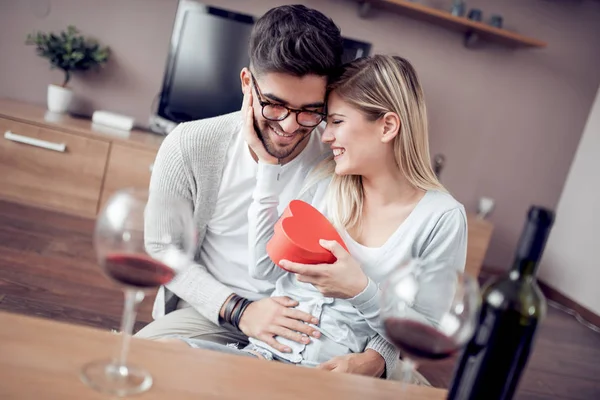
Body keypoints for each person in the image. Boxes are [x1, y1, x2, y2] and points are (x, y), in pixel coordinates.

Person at [165, 54, 467, 381]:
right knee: (166, 353)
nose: (325, 136)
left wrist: (360, 291)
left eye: (337, 122)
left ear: (388, 126)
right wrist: (268, 168)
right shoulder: (326, 183)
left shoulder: (441, 218)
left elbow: (427, 333)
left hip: (336, 379)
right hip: (262, 355)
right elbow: (264, 268)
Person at [137, 5, 396, 378]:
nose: (290, 126)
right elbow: (163, 250)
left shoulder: (341, 159)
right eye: (274, 105)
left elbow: (390, 269)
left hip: (315, 325)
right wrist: (241, 310)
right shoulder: (189, 146)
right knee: (146, 365)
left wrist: (379, 356)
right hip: (214, 309)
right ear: (247, 83)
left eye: (311, 111)